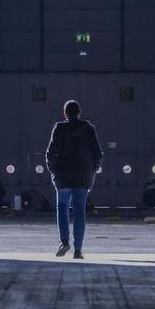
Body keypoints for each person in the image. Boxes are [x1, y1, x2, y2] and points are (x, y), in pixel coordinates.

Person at [45, 99, 103, 259]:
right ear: (79, 113)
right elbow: (98, 153)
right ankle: (78, 250)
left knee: (62, 208)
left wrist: (54, 171)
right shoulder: (88, 129)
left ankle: (64, 242)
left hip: (63, 176)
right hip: (83, 177)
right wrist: (93, 170)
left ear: (65, 113)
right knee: (79, 211)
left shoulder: (59, 128)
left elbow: (49, 154)